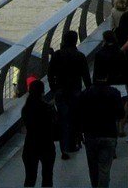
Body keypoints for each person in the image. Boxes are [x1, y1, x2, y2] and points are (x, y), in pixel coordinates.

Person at [77, 66, 125, 188]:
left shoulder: (85, 94)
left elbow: (79, 115)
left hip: (90, 135)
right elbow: (121, 114)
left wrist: (80, 132)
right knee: (104, 168)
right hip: (109, 134)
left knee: (93, 168)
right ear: (107, 77)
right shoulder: (114, 93)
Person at [47, 30, 90, 160]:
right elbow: (86, 76)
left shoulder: (57, 55)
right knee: (75, 117)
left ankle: (64, 148)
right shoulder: (80, 56)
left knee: (63, 119)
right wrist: (89, 91)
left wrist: (54, 88)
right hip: (75, 91)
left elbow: (50, 74)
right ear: (75, 40)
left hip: (60, 90)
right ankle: (73, 143)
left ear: (64, 40)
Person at [21, 77, 57, 187]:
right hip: (47, 144)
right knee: (47, 176)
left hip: (30, 144)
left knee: (30, 177)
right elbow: (55, 125)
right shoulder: (48, 108)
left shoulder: (26, 108)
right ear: (42, 92)